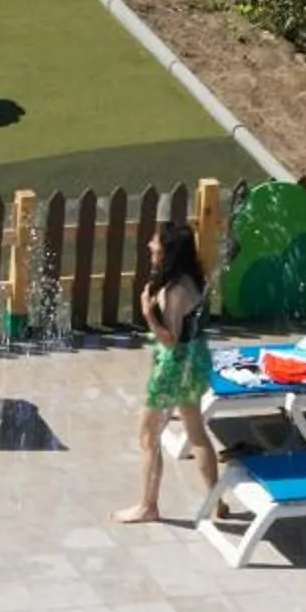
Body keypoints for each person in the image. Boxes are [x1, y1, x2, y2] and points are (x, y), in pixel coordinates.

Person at [117, 221, 218, 523]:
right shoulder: (193, 280)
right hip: (194, 361)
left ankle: (148, 506)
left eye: (155, 243)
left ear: (169, 252)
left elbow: (170, 340)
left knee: (148, 434)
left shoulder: (175, 291)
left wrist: (148, 313)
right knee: (196, 431)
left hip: (175, 367)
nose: (150, 246)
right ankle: (216, 500)